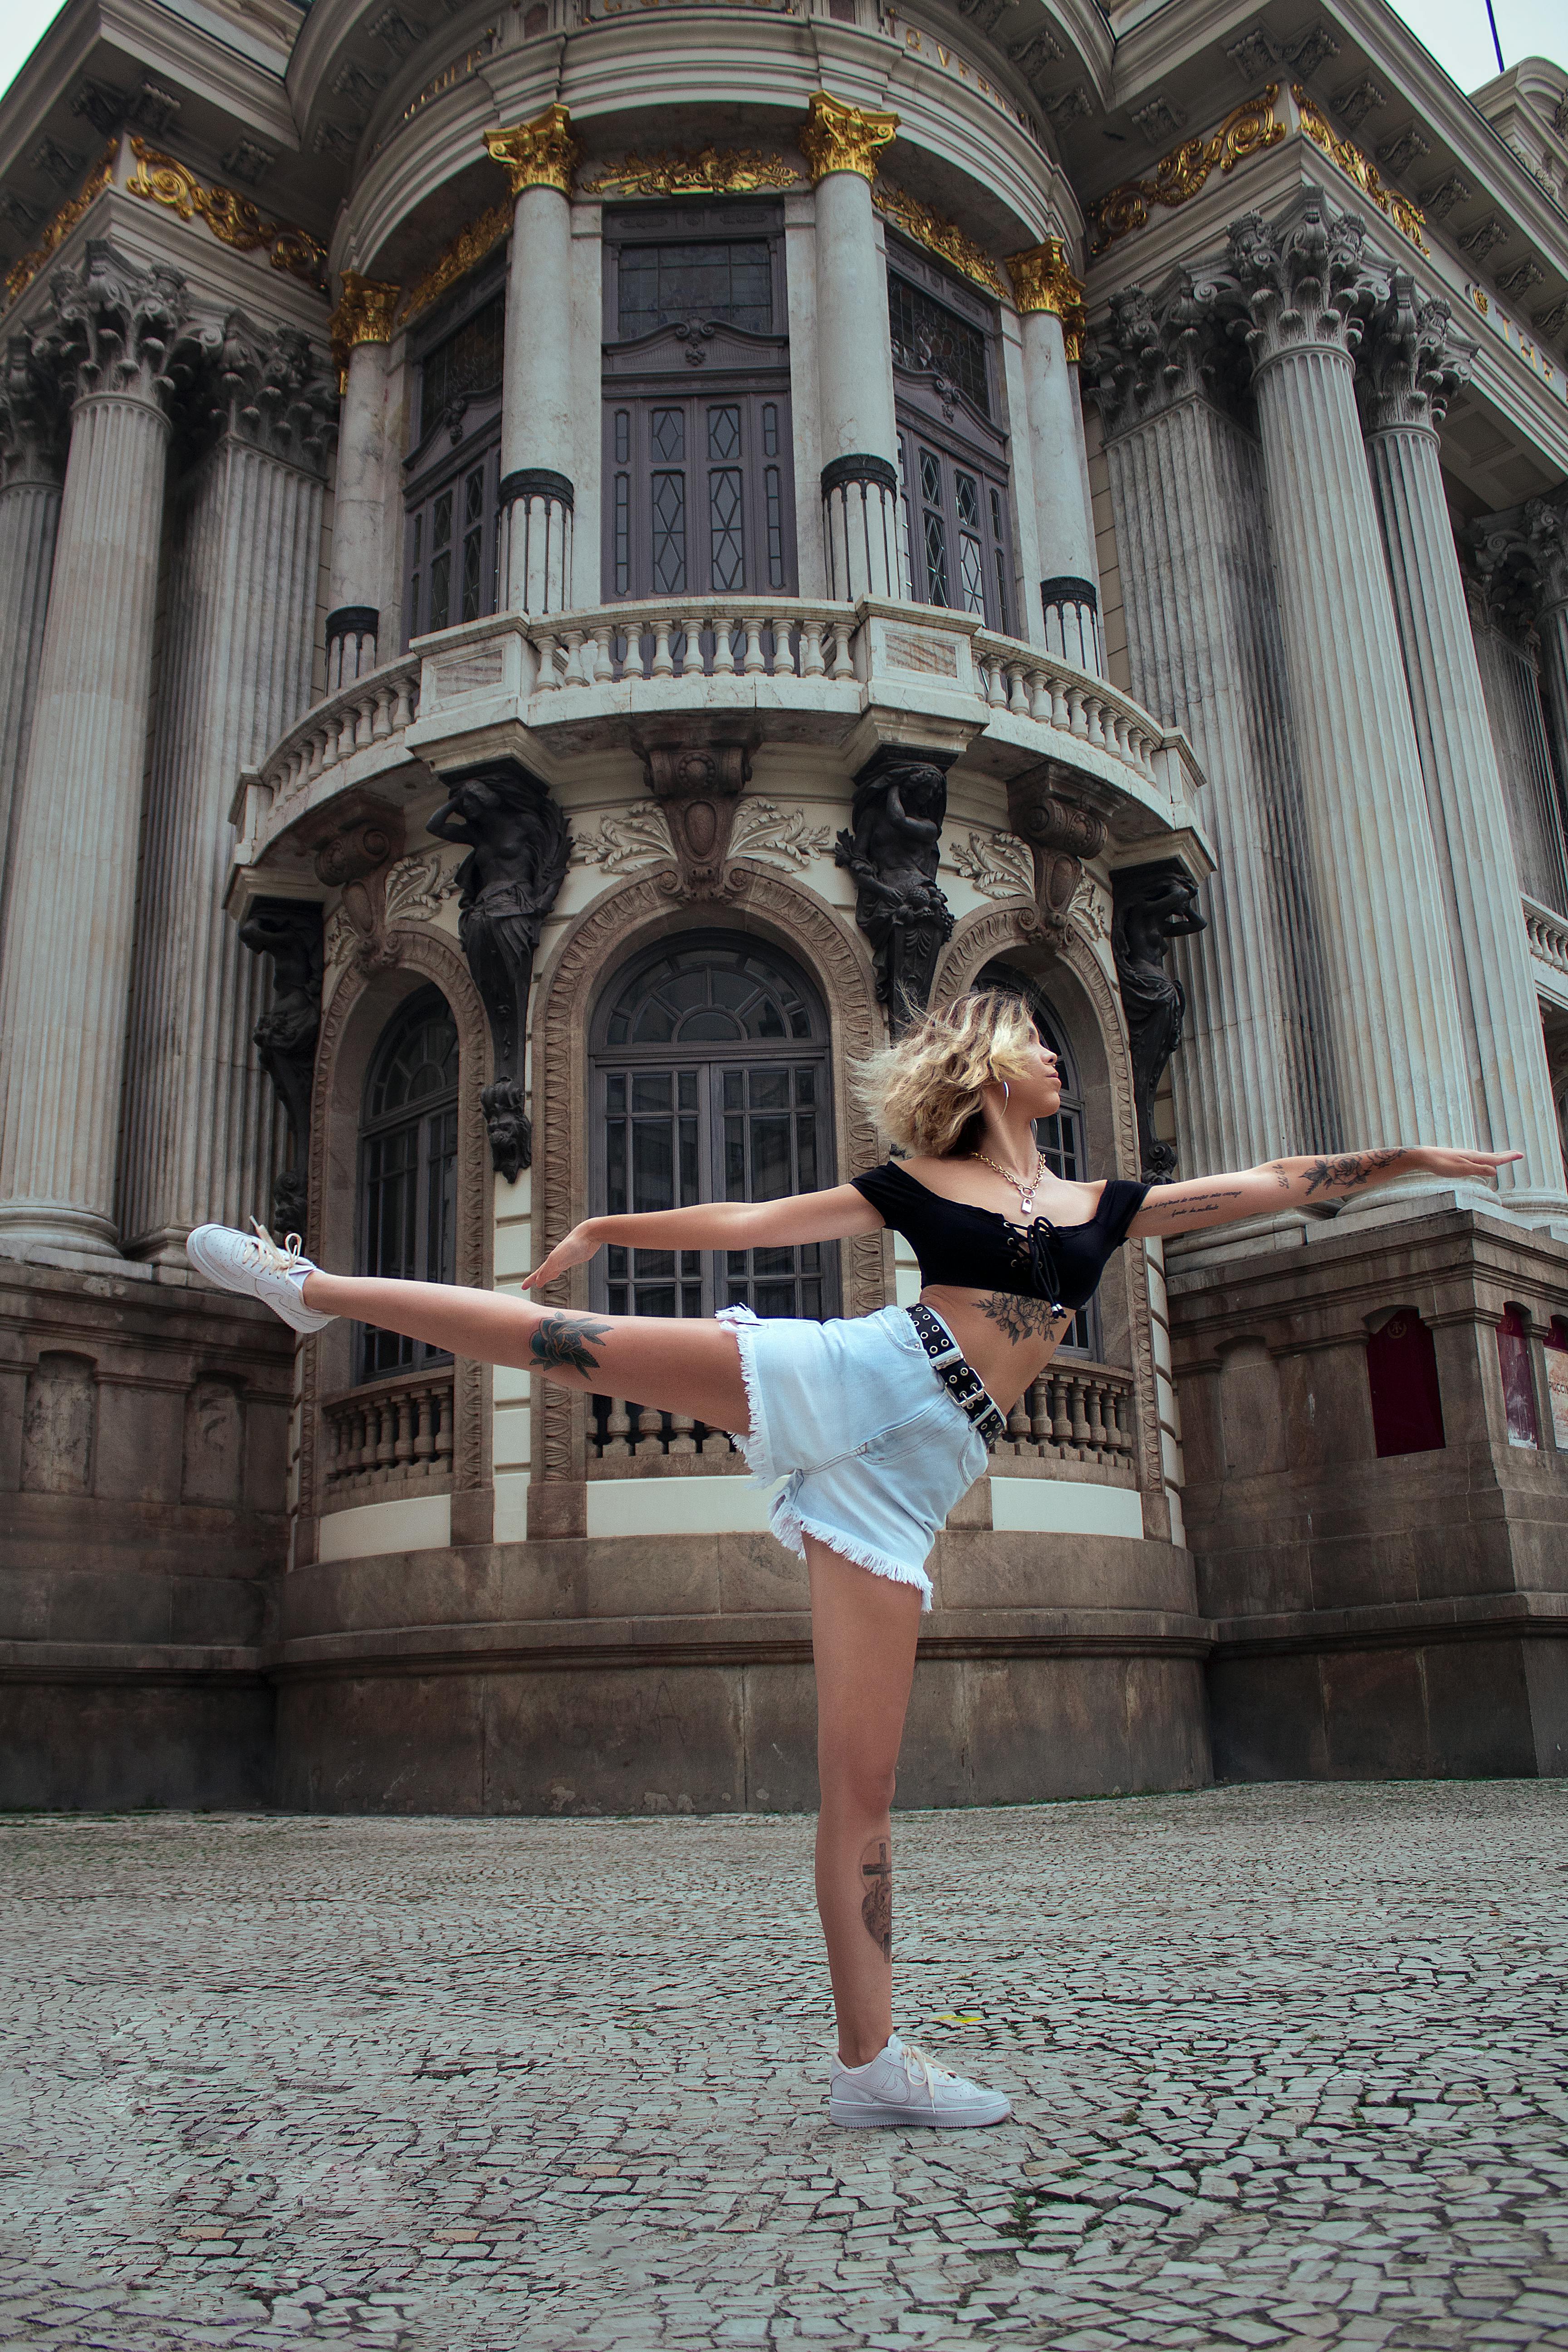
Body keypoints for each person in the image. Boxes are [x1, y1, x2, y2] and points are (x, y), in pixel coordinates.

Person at [186, 990, 1519, 2131]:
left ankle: (870, 2068)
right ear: (997, 1072)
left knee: (863, 1790)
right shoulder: (919, 1184)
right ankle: (307, 1292)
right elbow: (757, 1219)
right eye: (1043, 1046)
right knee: (564, 1344)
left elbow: (1286, 1183)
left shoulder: (1105, 1205)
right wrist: (604, 1233)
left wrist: (1418, 1158)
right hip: (860, 1376)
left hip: (914, 1481)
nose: (1062, 1062)